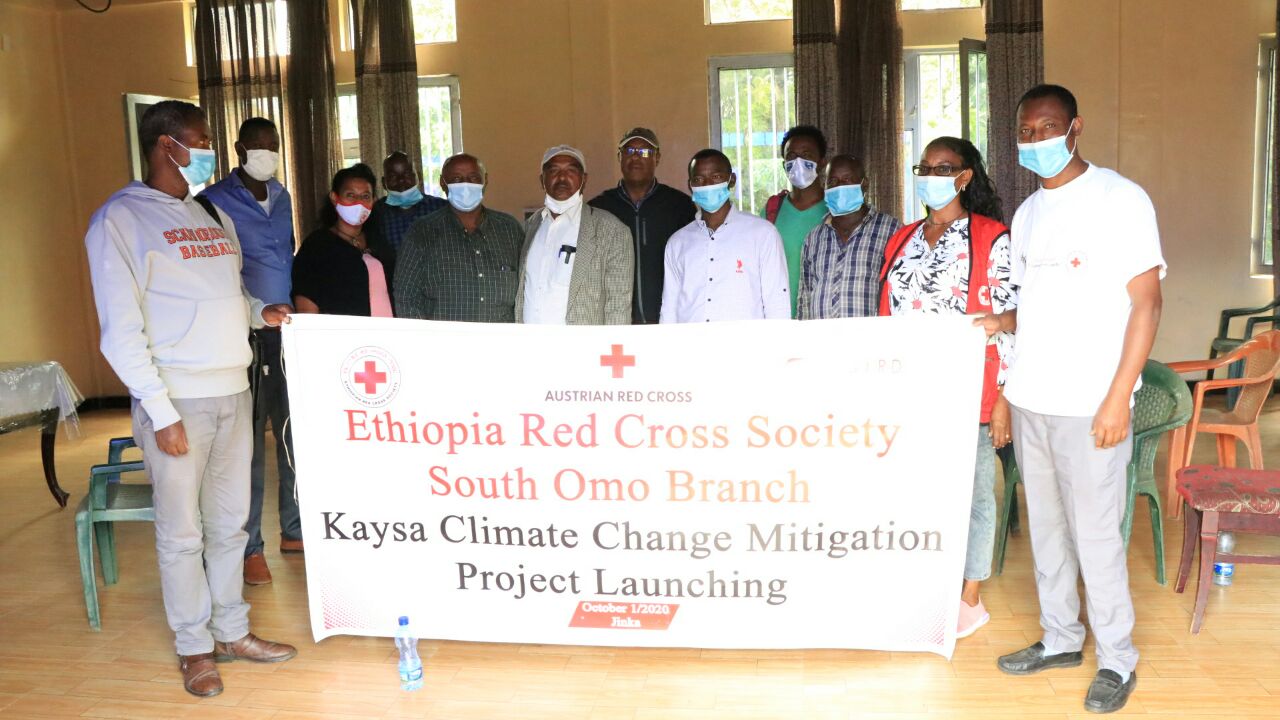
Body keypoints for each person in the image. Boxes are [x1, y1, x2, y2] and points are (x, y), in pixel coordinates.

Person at [85, 100, 296, 698]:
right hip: (178, 399)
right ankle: (194, 647)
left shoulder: (208, 215)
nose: (209, 152)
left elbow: (229, 293)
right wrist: (159, 409)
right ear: (165, 146)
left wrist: (264, 313)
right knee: (182, 534)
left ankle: (231, 630)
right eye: (201, 141)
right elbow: (120, 332)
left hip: (234, 389)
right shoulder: (120, 221)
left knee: (230, 525)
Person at [990, 84, 1163, 715]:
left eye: (1048, 128)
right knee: (1048, 533)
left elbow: (1147, 305)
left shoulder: (1120, 199)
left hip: (1092, 404)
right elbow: (1034, 311)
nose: (1036, 140)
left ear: (1076, 127)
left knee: (1097, 538)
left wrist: (1119, 398)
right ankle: (1062, 639)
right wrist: (1005, 368)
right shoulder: (1029, 213)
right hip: (1034, 398)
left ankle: (1117, 657)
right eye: (1026, 132)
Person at [878, 136, 1015, 641]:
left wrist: (1004, 398)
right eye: (924, 166)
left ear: (964, 177)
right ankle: (928, 585)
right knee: (919, 494)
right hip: (912, 393)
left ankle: (970, 599)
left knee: (976, 496)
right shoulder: (904, 239)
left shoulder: (991, 237)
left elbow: (1014, 318)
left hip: (971, 394)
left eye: (943, 167)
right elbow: (887, 316)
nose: (930, 175)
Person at [199, 117, 300, 587]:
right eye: (257, 145)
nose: (266, 152)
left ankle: (294, 529)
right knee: (248, 448)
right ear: (239, 148)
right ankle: (249, 546)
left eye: (272, 145)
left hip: (287, 331)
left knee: (290, 433)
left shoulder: (281, 197)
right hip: (244, 332)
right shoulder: (214, 202)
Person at [661, 149, 790, 323]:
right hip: (690, 348)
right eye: (698, 179)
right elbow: (669, 309)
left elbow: (777, 303)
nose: (707, 185)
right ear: (690, 185)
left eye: (715, 177)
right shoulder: (677, 243)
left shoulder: (762, 234)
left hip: (745, 348)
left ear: (732, 180)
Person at [396, 153, 524, 321]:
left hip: (501, 344)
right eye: (457, 179)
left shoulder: (509, 229)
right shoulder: (422, 231)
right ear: (443, 183)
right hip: (443, 344)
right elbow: (406, 296)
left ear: (485, 180)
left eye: (473, 178)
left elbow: (526, 291)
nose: (466, 185)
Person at [516, 145, 634, 325]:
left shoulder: (612, 231)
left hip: (582, 349)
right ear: (542, 180)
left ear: (584, 179)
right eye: (553, 170)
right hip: (531, 347)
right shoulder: (530, 227)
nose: (562, 177)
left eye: (571, 170)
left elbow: (618, 307)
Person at [588, 127, 696, 324]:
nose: (636, 158)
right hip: (615, 322)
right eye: (629, 151)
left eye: (645, 152)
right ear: (619, 157)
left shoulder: (679, 205)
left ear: (657, 158)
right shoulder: (599, 208)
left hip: (669, 322)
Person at [797, 155, 901, 319]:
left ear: (864, 184)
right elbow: (805, 296)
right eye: (832, 182)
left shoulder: (891, 229)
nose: (839, 187)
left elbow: (899, 290)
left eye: (847, 180)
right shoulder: (814, 237)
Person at [292, 164, 396, 317]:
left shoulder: (378, 241)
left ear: (373, 201)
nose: (358, 203)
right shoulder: (317, 246)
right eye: (350, 195)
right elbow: (306, 301)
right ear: (335, 198)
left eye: (365, 196)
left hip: (386, 335)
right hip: (343, 337)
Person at [762, 125, 829, 317]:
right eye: (791, 156)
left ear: (822, 162)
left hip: (821, 319)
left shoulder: (837, 210)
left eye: (806, 154)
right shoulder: (771, 211)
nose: (798, 162)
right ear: (784, 165)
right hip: (780, 319)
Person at [365, 150, 448, 253]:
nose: (401, 180)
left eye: (407, 174)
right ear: (383, 183)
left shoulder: (440, 208)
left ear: (418, 176)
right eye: (393, 177)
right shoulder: (374, 213)